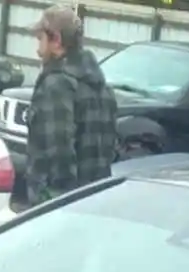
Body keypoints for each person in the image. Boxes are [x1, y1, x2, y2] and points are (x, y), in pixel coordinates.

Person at [23, 4, 118, 208]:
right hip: (94, 202)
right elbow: (111, 151)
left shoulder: (56, 85)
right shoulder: (102, 88)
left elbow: (60, 152)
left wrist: (52, 201)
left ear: (56, 40)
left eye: (40, 39)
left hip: (57, 207)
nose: (38, 50)